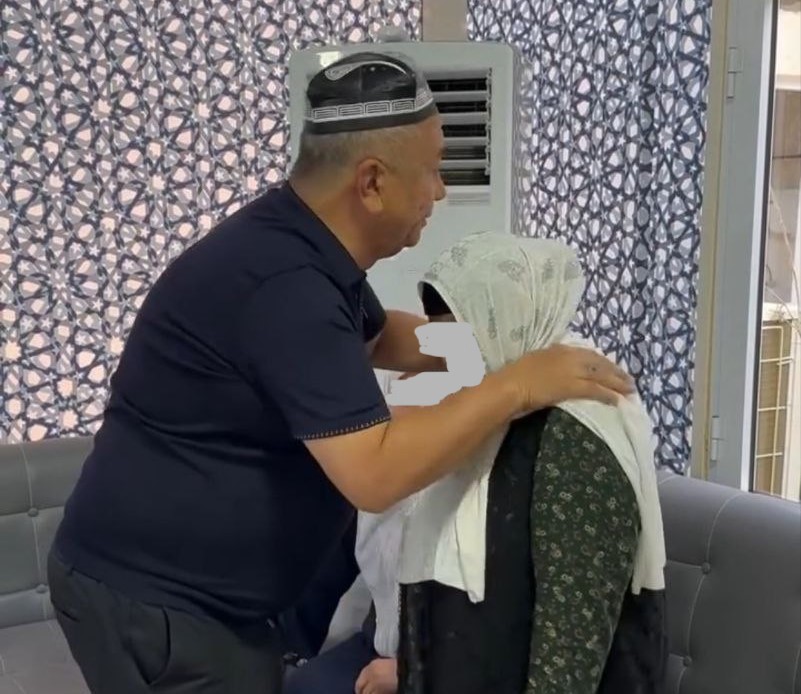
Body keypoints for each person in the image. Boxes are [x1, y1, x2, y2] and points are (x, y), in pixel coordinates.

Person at [47, 51, 635, 694]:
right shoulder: (286, 285)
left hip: (206, 599)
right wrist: (516, 386)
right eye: (432, 171)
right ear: (372, 182)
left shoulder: (300, 243)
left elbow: (380, 338)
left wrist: (498, 341)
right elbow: (374, 474)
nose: (440, 191)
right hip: (160, 605)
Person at [396, 231, 668, 694]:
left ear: (509, 322)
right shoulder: (494, 408)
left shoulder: (576, 431)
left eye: (463, 339)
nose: (449, 361)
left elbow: (570, 648)